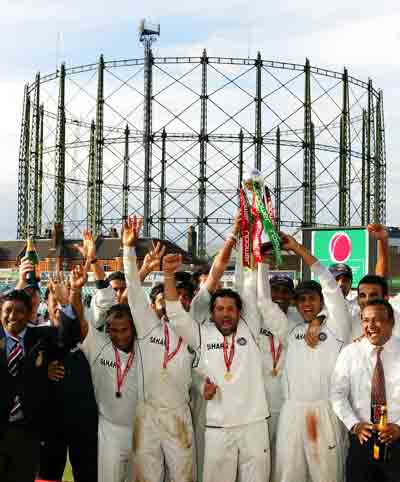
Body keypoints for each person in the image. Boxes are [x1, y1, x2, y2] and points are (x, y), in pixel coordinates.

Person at [163, 251, 273, 482]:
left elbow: (248, 286)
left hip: (253, 425)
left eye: (230, 309)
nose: (226, 314)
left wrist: (250, 249)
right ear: (211, 313)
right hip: (218, 428)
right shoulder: (202, 334)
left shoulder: (250, 328)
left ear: (239, 312)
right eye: (220, 309)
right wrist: (168, 275)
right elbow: (174, 314)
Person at [122, 216, 195, 482]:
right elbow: (132, 289)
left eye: (185, 297)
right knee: (146, 477)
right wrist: (128, 250)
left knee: (182, 477)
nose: (176, 301)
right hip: (147, 413)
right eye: (166, 297)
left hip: (178, 413)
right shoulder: (148, 326)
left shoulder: (195, 332)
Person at [273, 233, 351, 482]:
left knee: (326, 476)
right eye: (302, 299)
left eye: (312, 299)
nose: (306, 304)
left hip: (324, 411)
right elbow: (265, 304)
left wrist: (297, 248)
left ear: (322, 302)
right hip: (291, 412)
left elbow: (329, 284)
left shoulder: (337, 325)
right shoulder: (291, 328)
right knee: (288, 475)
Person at [0, 289, 79, 482]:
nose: (12, 316)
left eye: (19, 311)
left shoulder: (43, 337)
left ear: (29, 314)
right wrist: (42, 372)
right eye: (7, 310)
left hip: (27, 432)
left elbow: (70, 337)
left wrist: (66, 305)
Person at [38, 266, 98, 482]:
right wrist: (43, 371)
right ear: (46, 303)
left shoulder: (84, 332)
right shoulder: (38, 335)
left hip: (82, 420)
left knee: (87, 474)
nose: (58, 305)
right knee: (48, 475)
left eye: (61, 299)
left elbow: (72, 328)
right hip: (50, 422)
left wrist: (70, 298)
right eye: (54, 299)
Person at [331, 299, 400, 481]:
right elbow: (337, 394)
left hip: (397, 439)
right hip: (362, 439)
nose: (370, 326)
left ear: (392, 322)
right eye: (365, 320)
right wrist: (354, 424)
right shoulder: (350, 353)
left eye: (377, 319)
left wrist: (399, 426)